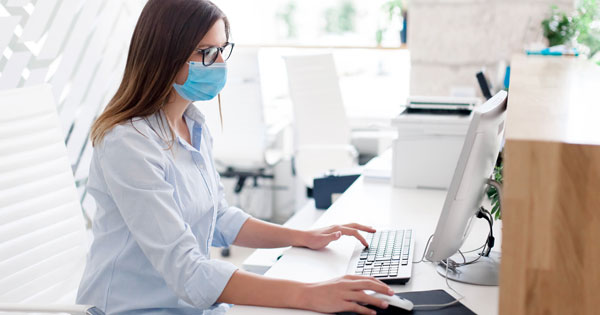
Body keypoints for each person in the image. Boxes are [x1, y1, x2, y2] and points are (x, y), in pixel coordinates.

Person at [77, 1, 393, 314]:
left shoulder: (193, 125)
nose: (218, 64)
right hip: (131, 310)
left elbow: (219, 218)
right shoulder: (129, 144)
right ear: (165, 55)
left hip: (187, 306)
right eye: (205, 52)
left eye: (221, 49)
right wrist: (309, 295)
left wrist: (304, 236)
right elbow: (188, 271)